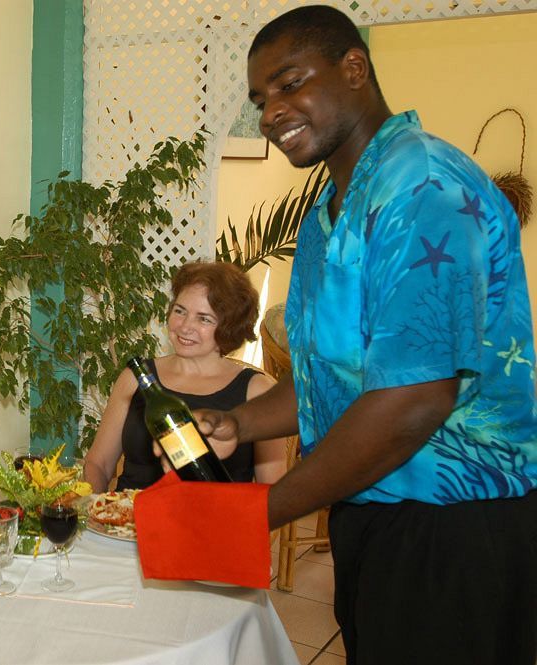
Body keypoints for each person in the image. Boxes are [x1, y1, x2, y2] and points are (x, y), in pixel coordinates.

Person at [185, 6, 536, 663]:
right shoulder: (328, 212)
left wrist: (261, 508)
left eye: (289, 84)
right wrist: (239, 422)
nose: (270, 113)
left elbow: (413, 399)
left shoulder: (423, 186)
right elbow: (333, 376)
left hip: (452, 526)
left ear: (355, 68)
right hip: (376, 512)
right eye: (261, 99)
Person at [83, 260, 287, 493]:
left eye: (204, 318)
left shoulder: (258, 391)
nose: (185, 326)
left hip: (213, 525)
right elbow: (98, 464)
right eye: (180, 311)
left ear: (229, 326)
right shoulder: (135, 378)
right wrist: (91, 512)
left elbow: (272, 494)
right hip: (129, 523)